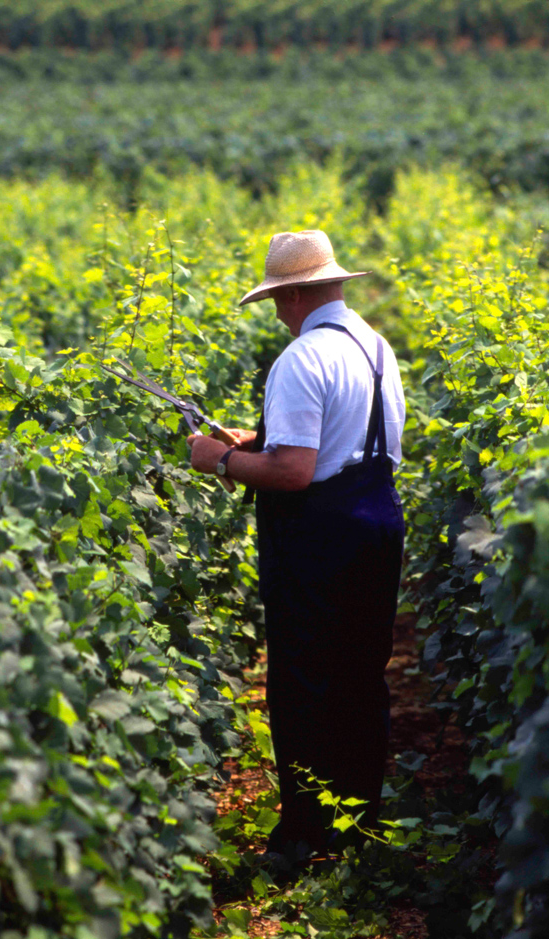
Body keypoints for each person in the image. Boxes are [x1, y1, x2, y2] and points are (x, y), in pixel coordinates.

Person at [187, 229, 405, 857]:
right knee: (362, 676)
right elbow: (344, 440)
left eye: (281, 301)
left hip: (319, 537)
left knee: (306, 679)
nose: (280, 314)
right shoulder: (375, 348)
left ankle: (304, 837)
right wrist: (252, 440)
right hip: (377, 526)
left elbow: (294, 473)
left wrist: (218, 461)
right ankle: (359, 825)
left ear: (298, 295)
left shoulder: (301, 360)